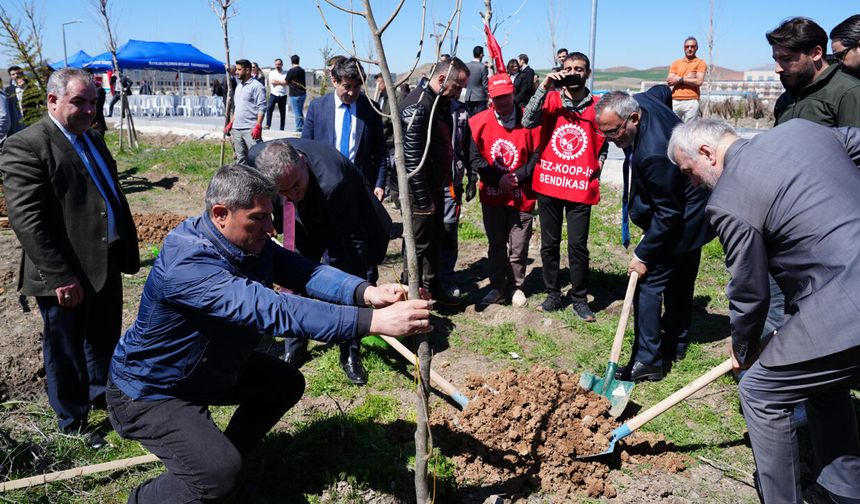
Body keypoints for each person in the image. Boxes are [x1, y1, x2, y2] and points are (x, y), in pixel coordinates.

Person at [107, 164, 431, 502]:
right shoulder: (189, 264)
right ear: (221, 214)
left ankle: (219, 460)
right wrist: (373, 323)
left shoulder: (248, 244)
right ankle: (147, 497)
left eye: (272, 216)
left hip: (207, 369)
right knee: (220, 476)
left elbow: (305, 271)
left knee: (283, 383)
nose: (272, 228)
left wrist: (366, 293)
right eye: (259, 218)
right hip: (152, 389)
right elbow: (273, 310)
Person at [668, 117, 860, 504]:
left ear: (706, 152)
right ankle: (844, 490)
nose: (692, 184)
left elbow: (750, 292)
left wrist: (742, 348)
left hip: (847, 304)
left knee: (759, 392)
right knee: (819, 378)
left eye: (688, 173)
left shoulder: (728, 201)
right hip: (839, 300)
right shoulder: (802, 131)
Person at [0, 68, 139, 448]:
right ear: (53, 100)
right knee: (65, 348)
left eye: (94, 102)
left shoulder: (91, 137)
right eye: (79, 101)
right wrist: (60, 275)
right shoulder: (27, 145)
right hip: (65, 270)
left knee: (103, 338)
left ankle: (102, 397)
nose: (89, 110)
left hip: (105, 260)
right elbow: (27, 219)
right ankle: (73, 420)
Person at [248, 138, 392, 384]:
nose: (292, 194)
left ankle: (350, 351)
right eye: (283, 191)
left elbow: (353, 241)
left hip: (348, 219)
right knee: (297, 271)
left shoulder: (334, 180)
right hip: (305, 217)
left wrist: (357, 286)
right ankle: (295, 345)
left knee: (349, 281)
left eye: (295, 185)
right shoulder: (256, 159)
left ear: (303, 163)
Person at [595, 88, 712, 382]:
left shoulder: (654, 153)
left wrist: (643, 255)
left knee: (648, 284)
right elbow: (663, 91)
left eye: (614, 132)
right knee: (682, 276)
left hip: (685, 214)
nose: (611, 140)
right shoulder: (646, 100)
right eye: (605, 133)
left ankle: (648, 360)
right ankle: (676, 342)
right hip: (692, 203)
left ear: (633, 118)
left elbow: (668, 215)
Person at [521, 52, 606, 321]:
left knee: (578, 246)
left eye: (578, 69)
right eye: (568, 68)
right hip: (550, 182)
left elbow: (608, 134)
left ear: (588, 73)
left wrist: (601, 160)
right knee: (549, 243)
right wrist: (544, 86)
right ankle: (553, 293)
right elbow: (527, 121)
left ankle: (579, 299)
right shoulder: (551, 99)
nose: (573, 73)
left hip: (580, 184)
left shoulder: (598, 105)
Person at [399, 57, 470, 306]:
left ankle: (431, 286)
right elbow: (411, 159)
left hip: (435, 186)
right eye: (458, 87)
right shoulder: (419, 106)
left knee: (434, 240)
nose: (460, 93)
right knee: (418, 244)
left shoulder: (439, 102)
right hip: (420, 191)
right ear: (441, 80)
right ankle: (412, 294)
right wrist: (423, 199)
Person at [470, 73, 540, 307]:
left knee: (519, 245)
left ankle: (517, 286)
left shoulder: (528, 120)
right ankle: (498, 286)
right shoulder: (478, 122)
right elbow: (475, 158)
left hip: (522, 195)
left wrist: (519, 176)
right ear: (491, 98)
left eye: (506, 97)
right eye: (497, 98)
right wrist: (497, 179)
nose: (502, 102)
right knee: (497, 244)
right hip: (493, 194)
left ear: (512, 94)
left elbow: (537, 153)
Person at [302, 57, 387, 201]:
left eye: (357, 87)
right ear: (334, 81)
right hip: (324, 185)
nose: (352, 93)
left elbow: (380, 152)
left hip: (360, 186)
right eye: (347, 86)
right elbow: (305, 147)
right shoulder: (318, 107)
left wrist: (379, 183)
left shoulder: (370, 109)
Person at [769, 17, 860, 127]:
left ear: (816, 53)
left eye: (787, 59)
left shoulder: (849, 93)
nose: (777, 69)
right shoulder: (785, 100)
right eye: (776, 60)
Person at [438, 96, 475, 299]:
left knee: (449, 231)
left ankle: (446, 278)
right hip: (426, 184)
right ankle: (417, 279)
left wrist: (472, 176)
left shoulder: (461, 111)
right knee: (424, 234)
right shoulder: (426, 104)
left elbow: (468, 146)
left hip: (452, 184)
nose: (460, 90)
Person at [224, 59, 266, 164]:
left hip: (250, 130)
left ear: (247, 70)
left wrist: (258, 125)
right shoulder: (239, 86)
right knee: (240, 159)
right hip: (237, 129)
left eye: (239, 69)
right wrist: (231, 123)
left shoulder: (257, 86)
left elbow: (262, 107)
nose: (236, 72)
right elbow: (238, 108)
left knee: (258, 158)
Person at [666, 36, 706, 122]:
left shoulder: (700, 63)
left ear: (697, 48)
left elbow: (699, 81)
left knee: (689, 130)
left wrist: (678, 79)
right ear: (684, 48)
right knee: (672, 127)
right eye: (687, 46)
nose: (690, 49)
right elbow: (669, 81)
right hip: (675, 100)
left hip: (692, 100)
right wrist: (686, 78)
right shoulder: (676, 63)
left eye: (692, 46)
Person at [464, 46, 489, 116]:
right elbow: (485, 84)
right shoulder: (483, 67)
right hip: (480, 97)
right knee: (480, 119)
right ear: (481, 55)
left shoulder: (466, 65)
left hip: (468, 96)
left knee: (470, 119)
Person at [265, 58, 288, 131]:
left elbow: (286, 82)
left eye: (279, 64)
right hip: (273, 94)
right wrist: (282, 82)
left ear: (282, 64)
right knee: (269, 109)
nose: (277, 66)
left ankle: (282, 128)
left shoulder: (285, 73)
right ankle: (268, 125)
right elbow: (272, 82)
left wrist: (277, 81)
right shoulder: (272, 73)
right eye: (276, 64)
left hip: (282, 95)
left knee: (282, 112)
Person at [286, 54, 307, 132]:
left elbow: (286, 81)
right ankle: (303, 126)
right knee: (300, 111)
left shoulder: (291, 71)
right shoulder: (302, 70)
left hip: (295, 94)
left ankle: (299, 128)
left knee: (297, 112)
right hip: (303, 94)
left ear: (291, 61)